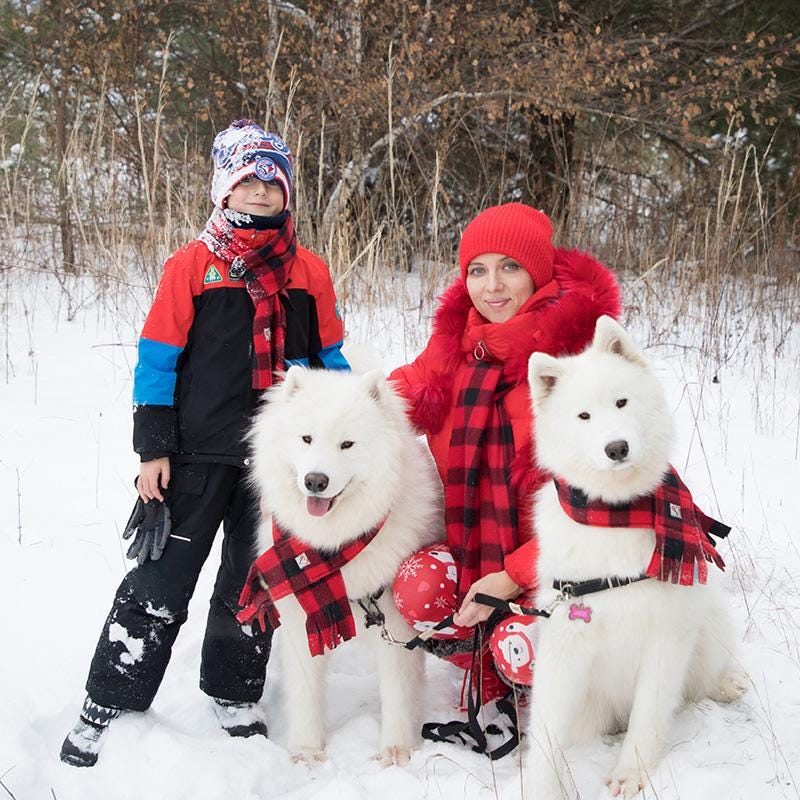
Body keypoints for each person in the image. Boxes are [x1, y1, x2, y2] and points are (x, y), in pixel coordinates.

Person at [60, 119, 349, 767]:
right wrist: (152, 450)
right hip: (194, 457)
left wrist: (341, 438)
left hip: (279, 464)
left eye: (272, 180)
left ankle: (235, 690)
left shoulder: (309, 273)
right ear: (223, 190)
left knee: (254, 582)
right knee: (161, 579)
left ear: (288, 193)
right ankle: (109, 697)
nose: (260, 191)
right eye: (246, 179)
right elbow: (156, 363)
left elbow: (331, 363)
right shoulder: (194, 265)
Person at [389, 203, 620, 722]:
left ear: (537, 272)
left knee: (533, 643)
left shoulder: (579, 367)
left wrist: (513, 576)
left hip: (571, 571)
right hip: (478, 553)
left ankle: (579, 686)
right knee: (419, 586)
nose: (492, 286)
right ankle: (482, 656)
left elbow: (599, 513)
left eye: (509, 267)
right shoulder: (453, 351)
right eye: (478, 270)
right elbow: (377, 407)